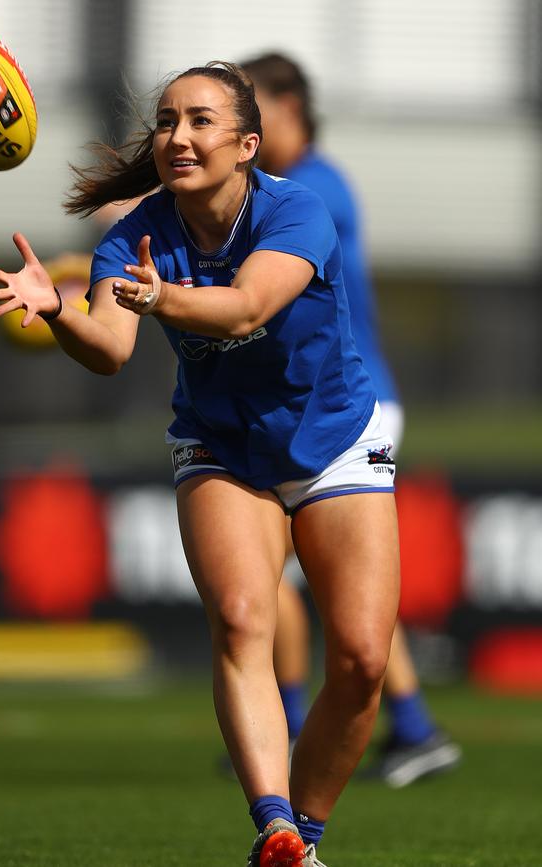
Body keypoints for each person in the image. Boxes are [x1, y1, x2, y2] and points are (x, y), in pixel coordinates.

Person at [0, 61, 400, 867]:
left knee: (363, 661)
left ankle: (303, 835)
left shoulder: (296, 210)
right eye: (168, 121)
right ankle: (276, 828)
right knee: (243, 620)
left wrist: (154, 296)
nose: (179, 136)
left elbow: (245, 306)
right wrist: (58, 307)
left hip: (332, 437)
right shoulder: (138, 236)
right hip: (221, 445)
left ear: (247, 144)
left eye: (201, 121)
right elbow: (108, 349)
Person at [239, 52, 461, 787]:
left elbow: (245, 266)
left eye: (250, 109)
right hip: (311, 403)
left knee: (319, 578)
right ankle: (359, 723)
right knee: (287, 574)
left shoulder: (310, 190)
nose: (236, 128)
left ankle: (367, 723)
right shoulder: (286, 184)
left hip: (350, 404)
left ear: (291, 108)